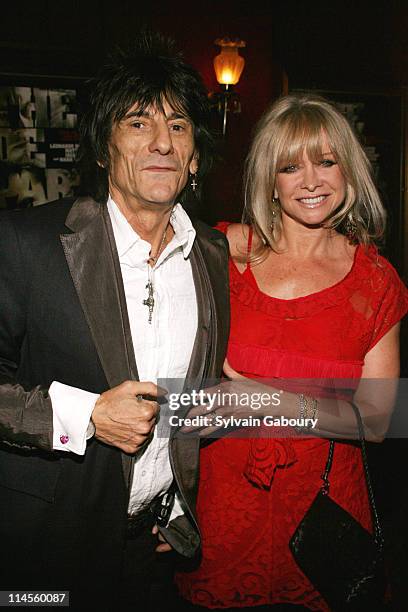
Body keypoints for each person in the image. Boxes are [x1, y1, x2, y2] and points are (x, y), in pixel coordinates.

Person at [0, 34, 229, 611]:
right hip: (41, 555)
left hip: (151, 555)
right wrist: (88, 415)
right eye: (138, 123)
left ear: (195, 155)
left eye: (178, 127)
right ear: (103, 149)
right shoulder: (28, 244)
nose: (161, 143)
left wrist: (177, 507)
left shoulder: (213, 255)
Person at [175, 94, 408, 610]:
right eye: (290, 165)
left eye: (326, 162)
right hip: (219, 517)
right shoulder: (219, 255)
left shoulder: (374, 282)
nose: (310, 180)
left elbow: (375, 420)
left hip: (323, 522)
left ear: (349, 171)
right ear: (270, 180)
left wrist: (269, 401)